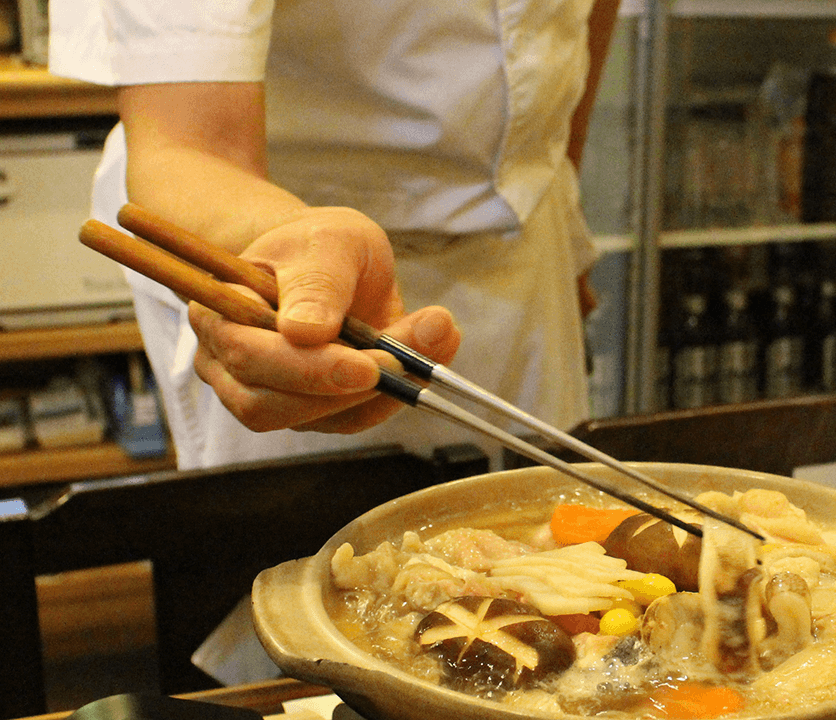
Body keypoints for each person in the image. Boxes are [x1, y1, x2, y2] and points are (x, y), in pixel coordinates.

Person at [48, 0, 620, 470]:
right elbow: (189, 144)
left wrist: (562, 200)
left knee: (556, 552)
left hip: (527, 246)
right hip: (286, 252)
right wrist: (294, 247)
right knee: (309, 577)